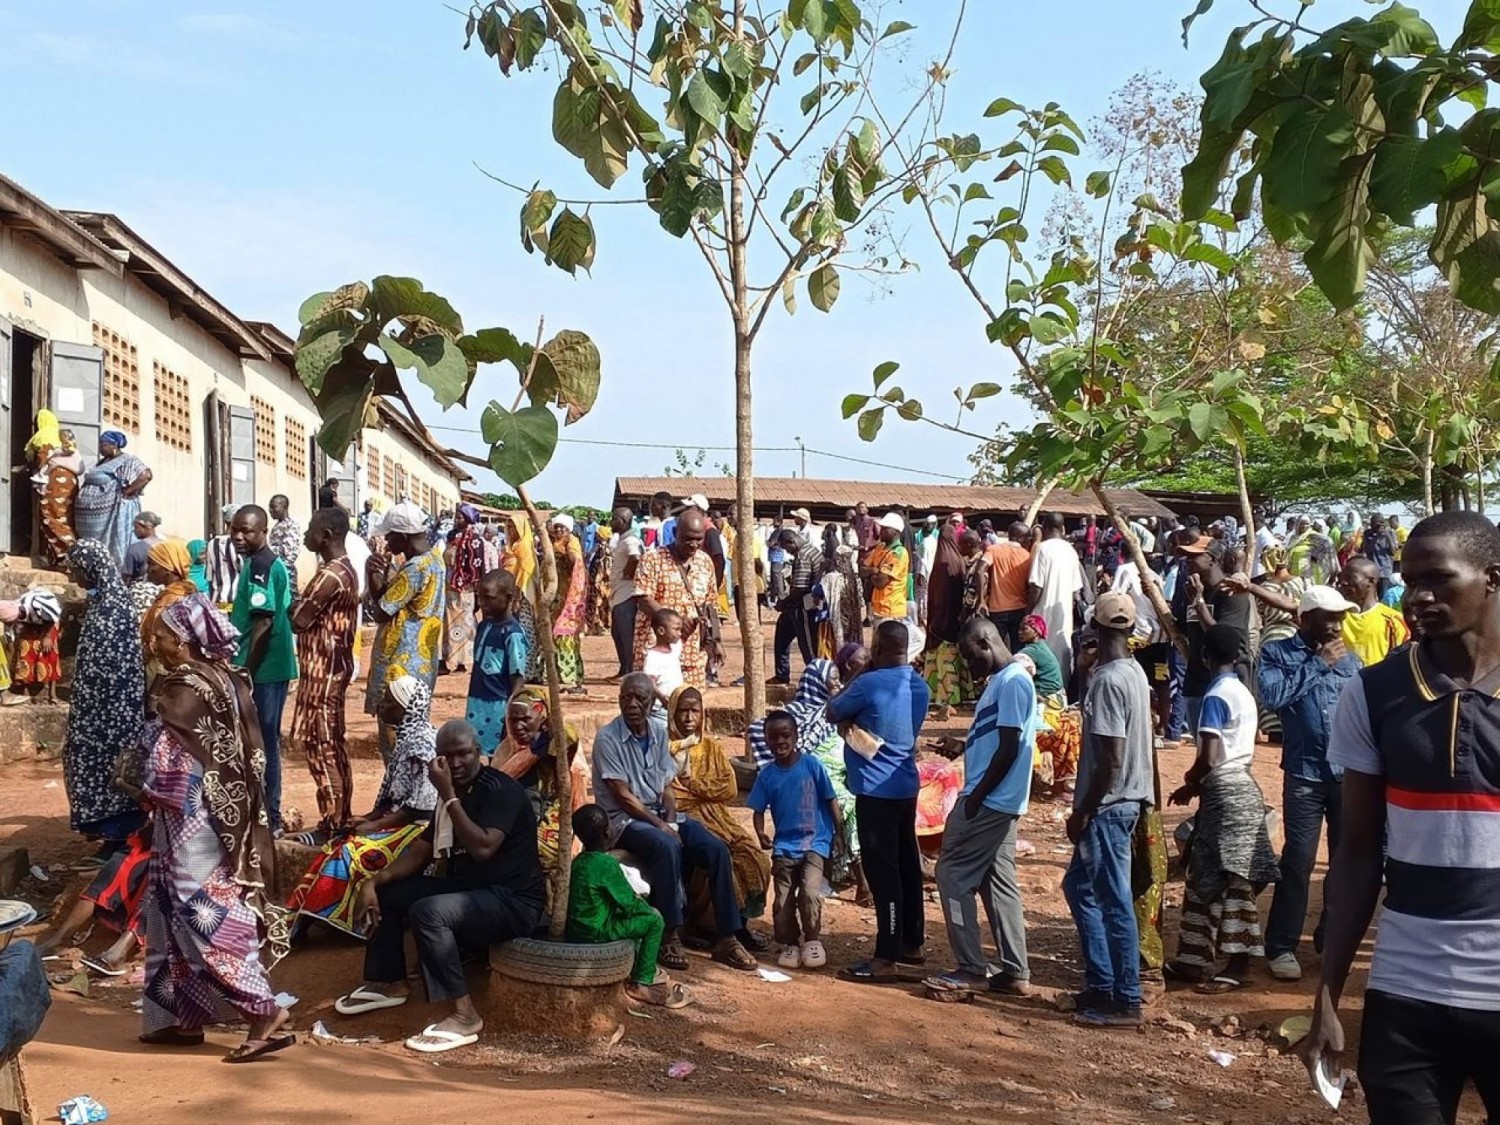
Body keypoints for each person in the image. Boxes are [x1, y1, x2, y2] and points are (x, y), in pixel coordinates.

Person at [1301, 512, 1500, 1124]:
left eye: (1438, 580)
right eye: (1411, 582)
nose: (1418, 598)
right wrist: (1328, 994)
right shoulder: (1374, 693)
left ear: (1493, 578)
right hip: (1406, 994)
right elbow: (1358, 853)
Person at [139, 594, 290, 1061]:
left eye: (162, 636)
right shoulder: (228, 677)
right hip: (226, 813)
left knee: (202, 907)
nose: (155, 643)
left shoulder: (182, 689)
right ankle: (182, 1016)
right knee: (169, 904)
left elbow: (168, 764)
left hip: (192, 817)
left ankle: (263, 1010)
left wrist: (143, 782)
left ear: (183, 642)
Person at [335, 721, 544, 1054]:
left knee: (430, 912)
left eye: (463, 754)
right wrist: (374, 882)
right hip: (470, 891)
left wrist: (447, 795)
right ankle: (389, 981)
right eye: (447, 756)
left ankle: (465, 1014)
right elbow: (423, 849)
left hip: (513, 901)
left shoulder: (499, 791)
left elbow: (483, 848)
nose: (456, 763)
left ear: (479, 752)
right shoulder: (454, 793)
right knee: (391, 893)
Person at [591, 674, 758, 972]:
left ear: (652, 702)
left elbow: (667, 786)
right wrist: (663, 827)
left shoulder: (658, 733)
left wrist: (670, 820)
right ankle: (669, 934)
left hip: (661, 814)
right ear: (619, 700)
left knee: (717, 849)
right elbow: (623, 796)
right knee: (666, 846)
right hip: (624, 821)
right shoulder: (607, 738)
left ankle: (728, 936)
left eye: (640, 698)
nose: (632, 704)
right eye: (626, 698)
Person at [925, 616, 1038, 999]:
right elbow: (997, 740)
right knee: (998, 881)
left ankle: (971, 968)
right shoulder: (1002, 683)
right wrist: (962, 746)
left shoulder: (1013, 682)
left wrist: (975, 798)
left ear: (986, 644)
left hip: (989, 801)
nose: (969, 667)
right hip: (997, 801)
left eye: (971, 657)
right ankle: (1015, 971)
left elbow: (1010, 747)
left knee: (951, 875)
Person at [1164, 624, 1280, 992]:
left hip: (1225, 794)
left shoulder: (1215, 695)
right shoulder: (1243, 693)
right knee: (1206, 874)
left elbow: (1210, 758)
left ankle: (1237, 966)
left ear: (1204, 657)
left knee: (1231, 880)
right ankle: (1193, 959)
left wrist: (1190, 780)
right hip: (1243, 788)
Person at [1257, 585, 1362, 982]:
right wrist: (1317, 664)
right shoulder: (1277, 653)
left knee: (1344, 861)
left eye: (1340, 618)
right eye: (1328, 618)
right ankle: (1281, 945)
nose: (1336, 626)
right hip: (1303, 774)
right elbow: (1273, 697)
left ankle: (1330, 938)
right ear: (1305, 619)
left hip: (1347, 775)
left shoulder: (1351, 660)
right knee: (1298, 861)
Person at [1064, 591, 1155, 1028]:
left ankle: (1126, 997)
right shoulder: (1132, 672)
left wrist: (1084, 809)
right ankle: (1102, 983)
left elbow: (1110, 758)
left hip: (1108, 805)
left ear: (1095, 629)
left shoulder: (1109, 680)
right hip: (1126, 800)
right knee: (1079, 887)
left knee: (1113, 900)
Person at [286, 676, 438, 937]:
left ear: (405, 708)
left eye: (388, 701)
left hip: (417, 828)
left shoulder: (420, 745)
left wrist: (375, 825)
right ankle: (309, 915)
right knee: (338, 841)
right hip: (400, 821)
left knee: (351, 852)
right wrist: (366, 818)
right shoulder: (406, 738)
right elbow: (392, 797)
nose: (381, 706)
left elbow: (420, 807)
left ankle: (343, 919)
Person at [827, 620, 929, 983]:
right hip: (905, 787)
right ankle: (911, 942)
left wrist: (861, 671)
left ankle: (886, 957)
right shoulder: (920, 686)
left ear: (879, 648)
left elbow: (832, 709)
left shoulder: (868, 684)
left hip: (874, 790)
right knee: (907, 865)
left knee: (883, 873)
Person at [62, 540, 146, 856]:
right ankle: (107, 836)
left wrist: (110, 712)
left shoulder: (115, 607)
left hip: (113, 709)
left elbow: (121, 666)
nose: (73, 577)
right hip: (93, 708)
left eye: (75, 570)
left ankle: (119, 840)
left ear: (90, 569)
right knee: (88, 762)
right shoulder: (101, 603)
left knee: (113, 768)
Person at [668, 686, 773, 936]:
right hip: (685, 816)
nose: (689, 717)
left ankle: (742, 925)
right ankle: (710, 929)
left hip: (718, 816)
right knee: (720, 856)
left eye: (695, 711)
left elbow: (729, 787)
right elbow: (670, 794)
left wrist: (693, 784)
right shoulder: (665, 748)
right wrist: (700, 790)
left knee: (753, 856)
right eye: (683, 711)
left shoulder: (710, 747)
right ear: (672, 713)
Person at [567, 804, 688, 1008]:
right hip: (596, 931)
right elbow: (630, 905)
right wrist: (649, 909)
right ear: (607, 832)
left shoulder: (578, 862)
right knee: (654, 921)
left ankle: (638, 967)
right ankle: (640, 983)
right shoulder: (606, 864)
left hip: (577, 929)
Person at [747, 711, 841, 970]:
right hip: (784, 847)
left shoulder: (812, 765)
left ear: (796, 736)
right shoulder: (767, 775)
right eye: (773, 736)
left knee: (810, 892)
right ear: (766, 740)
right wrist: (761, 833)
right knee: (782, 900)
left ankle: (812, 940)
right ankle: (790, 943)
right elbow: (757, 810)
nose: (780, 741)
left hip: (815, 843)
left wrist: (839, 833)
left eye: (785, 735)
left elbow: (831, 799)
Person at [288, 506, 360, 838]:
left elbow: (299, 619)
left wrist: (294, 607)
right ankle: (338, 818)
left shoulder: (331, 575)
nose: (306, 534)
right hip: (332, 670)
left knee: (322, 747)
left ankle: (333, 823)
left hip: (323, 674)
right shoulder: (346, 569)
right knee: (333, 744)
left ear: (326, 536)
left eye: (310, 529)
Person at [229, 505, 298, 833]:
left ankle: (270, 818)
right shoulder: (261, 563)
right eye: (235, 530)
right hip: (269, 666)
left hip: (265, 669)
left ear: (263, 532)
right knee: (261, 742)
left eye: (247, 531)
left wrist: (246, 673)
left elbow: (263, 622)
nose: (239, 537)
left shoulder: (261, 566)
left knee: (264, 743)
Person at [366, 500, 446, 760]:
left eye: (390, 536)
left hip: (401, 664)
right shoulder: (435, 560)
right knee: (415, 733)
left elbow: (382, 611)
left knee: (395, 741)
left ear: (402, 536)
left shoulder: (415, 568)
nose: (387, 542)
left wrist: (372, 574)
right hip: (422, 662)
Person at [492, 688, 587, 883]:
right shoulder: (505, 752)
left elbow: (567, 735)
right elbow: (499, 784)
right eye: (513, 720)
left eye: (525, 719)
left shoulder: (560, 742)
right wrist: (537, 749)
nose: (518, 726)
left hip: (555, 828)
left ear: (541, 716)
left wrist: (544, 742)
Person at [633, 508, 721, 691]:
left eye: (699, 539)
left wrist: (716, 641)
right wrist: (676, 623)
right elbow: (643, 599)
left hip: (693, 655)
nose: (693, 544)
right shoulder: (652, 559)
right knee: (654, 703)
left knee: (690, 703)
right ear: (675, 533)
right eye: (688, 538)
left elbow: (710, 605)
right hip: (657, 653)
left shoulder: (705, 562)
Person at [1178, 536, 1253, 728]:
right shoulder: (1193, 590)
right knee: (1202, 743)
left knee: (1225, 745)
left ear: (1212, 559)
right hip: (1196, 684)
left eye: (1193, 556)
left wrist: (1199, 603)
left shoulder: (1232, 592)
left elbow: (1222, 639)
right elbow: (1183, 630)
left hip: (1227, 684)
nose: (1187, 561)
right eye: (1186, 557)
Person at [463, 570, 529, 754]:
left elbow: (517, 677)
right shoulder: (484, 626)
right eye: (480, 598)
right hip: (476, 703)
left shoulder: (513, 634)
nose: (482, 603)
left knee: (498, 754)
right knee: (474, 750)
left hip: (498, 707)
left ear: (508, 598)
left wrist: (511, 713)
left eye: (489, 598)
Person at [72, 431, 152, 569]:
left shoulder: (127, 460)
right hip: (95, 517)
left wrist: (128, 491)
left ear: (114, 445)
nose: (100, 448)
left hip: (115, 512)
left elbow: (146, 475)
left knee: (114, 544)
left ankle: (117, 570)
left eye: (103, 445)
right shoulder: (104, 461)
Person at [1028, 513, 1084, 683]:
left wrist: (1028, 611)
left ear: (1044, 528)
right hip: (1063, 615)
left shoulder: (1042, 549)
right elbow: (1075, 590)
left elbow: (1036, 586)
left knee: (1041, 655)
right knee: (1062, 656)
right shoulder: (1071, 551)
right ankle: (1061, 692)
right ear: (1063, 529)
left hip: (1042, 614)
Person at [923, 523, 969, 720]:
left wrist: (935, 621)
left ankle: (942, 694)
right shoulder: (958, 559)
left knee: (941, 655)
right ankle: (955, 693)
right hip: (955, 619)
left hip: (942, 620)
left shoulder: (941, 562)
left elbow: (939, 596)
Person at [25, 410, 81, 564]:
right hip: (70, 481)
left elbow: (40, 458)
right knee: (66, 516)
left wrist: (33, 467)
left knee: (49, 514)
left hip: (55, 481)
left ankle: (66, 553)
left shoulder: (43, 435)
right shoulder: (62, 436)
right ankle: (68, 555)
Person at [139, 539, 199, 682]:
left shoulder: (172, 599)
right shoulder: (183, 592)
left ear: (167, 568)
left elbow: (160, 642)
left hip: (163, 668)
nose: (148, 570)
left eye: (152, 564)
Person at [770, 529, 823, 685]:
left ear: (791, 542)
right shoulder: (811, 549)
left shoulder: (803, 556)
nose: (788, 552)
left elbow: (800, 587)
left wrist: (784, 602)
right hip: (795, 606)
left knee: (808, 644)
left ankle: (817, 678)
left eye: (786, 548)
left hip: (804, 607)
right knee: (782, 633)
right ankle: (781, 675)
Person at [1337, 557, 1410, 667]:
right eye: (1341, 578)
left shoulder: (1393, 621)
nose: (1343, 583)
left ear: (1371, 581)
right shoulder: (1335, 618)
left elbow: (1401, 660)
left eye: (1349, 578)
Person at [443, 504, 486, 675]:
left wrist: (477, 588)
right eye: (456, 517)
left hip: (465, 589)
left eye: (460, 517)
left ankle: (463, 662)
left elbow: (477, 566)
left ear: (468, 519)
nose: (456, 520)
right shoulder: (451, 536)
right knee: (448, 623)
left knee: (464, 624)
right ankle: (447, 659)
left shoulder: (474, 540)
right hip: (449, 587)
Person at [548, 514, 589, 691]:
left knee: (565, 635)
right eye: (556, 527)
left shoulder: (571, 542)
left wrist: (567, 550)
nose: (558, 530)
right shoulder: (552, 543)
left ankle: (569, 674)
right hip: (556, 596)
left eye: (562, 527)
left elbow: (575, 562)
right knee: (554, 634)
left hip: (569, 597)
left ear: (569, 529)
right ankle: (558, 673)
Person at [500, 512, 541, 683]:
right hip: (512, 594)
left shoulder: (524, 546)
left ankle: (528, 670)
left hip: (523, 595)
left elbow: (524, 573)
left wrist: (516, 598)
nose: (511, 531)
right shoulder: (512, 546)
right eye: (508, 527)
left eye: (514, 527)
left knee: (526, 631)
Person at [607, 507, 644, 680]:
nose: (611, 522)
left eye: (615, 519)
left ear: (623, 521)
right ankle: (624, 669)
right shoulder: (622, 539)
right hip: (618, 591)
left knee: (626, 634)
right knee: (617, 633)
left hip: (627, 593)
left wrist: (628, 573)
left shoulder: (631, 540)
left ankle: (630, 670)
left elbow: (636, 557)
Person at [8, 591, 63, 704]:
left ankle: (52, 693)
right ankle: (26, 692)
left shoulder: (48, 606)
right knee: (26, 653)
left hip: (49, 626)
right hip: (29, 626)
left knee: (50, 655)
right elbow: (18, 624)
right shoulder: (21, 607)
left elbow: (52, 620)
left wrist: (47, 636)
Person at [985, 522, 1033, 650]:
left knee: (997, 648)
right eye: (1028, 536)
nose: (1030, 540)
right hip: (1019, 608)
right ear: (1020, 537)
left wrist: (980, 600)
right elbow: (1029, 584)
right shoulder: (1027, 557)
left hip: (997, 609)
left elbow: (980, 569)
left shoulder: (993, 550)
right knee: (1018, 648)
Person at [864, 513, 911, 628]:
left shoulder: (899, 553)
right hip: (878, 609)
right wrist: (873, 571)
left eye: (886, 528)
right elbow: (861, 569)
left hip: (891, 610)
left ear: (896, 532)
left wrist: (870, 573)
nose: (881, 531)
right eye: (882, 528)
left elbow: (881, 582)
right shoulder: (880, 547)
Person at [643, 608, 686, 704]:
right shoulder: (653, 657)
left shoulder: (675, 647)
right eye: (676, 629)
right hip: (660, 706)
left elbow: (687, 633)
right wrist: (661, 697)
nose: (679, 633)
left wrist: (696, 622)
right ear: (661, 631)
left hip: (675, 703)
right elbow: (650, 681)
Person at [206, 504, 242, 611]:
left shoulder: (212, 543)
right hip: (236, 601)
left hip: (218, 601)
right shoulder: (239, 543)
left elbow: (209, 576)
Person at [1361, 513, 1398, 596]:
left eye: (1374, 524)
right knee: (1370, 595)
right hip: (1372, 570)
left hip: (1385, 570)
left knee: (1383, 596)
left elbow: (1392, 552)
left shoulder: (1390, 533)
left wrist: (1387, 536)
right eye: (1372, 524)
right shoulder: (1367, 533)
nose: (1372, 526)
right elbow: (1368, 550)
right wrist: (1376, 536)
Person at [120, 511, 163, 583]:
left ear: (147, 527)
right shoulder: (165, 546)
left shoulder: (135, 549)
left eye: (136, 527)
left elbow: (126, 577)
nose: (134, 531)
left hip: (139, 588)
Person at [267, 494, 301, 575]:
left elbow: (288, 550)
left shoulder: (291, 525)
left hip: (286, 572)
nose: (270, 510)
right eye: (270, 507)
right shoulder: (278, 525)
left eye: (274, 507)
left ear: (284, 507)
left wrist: (266, 550)